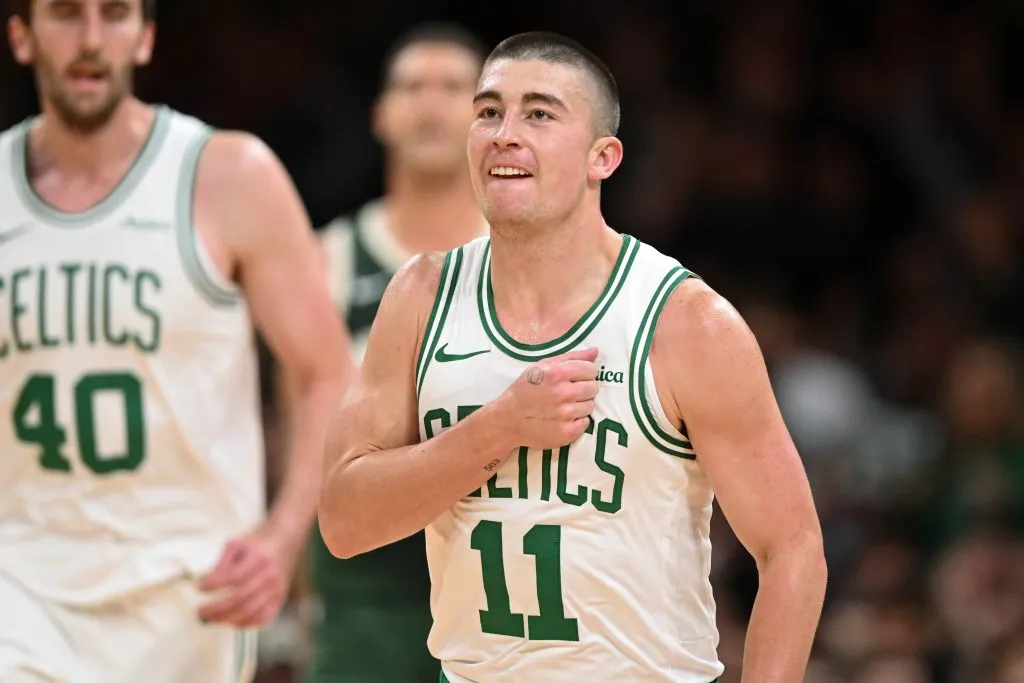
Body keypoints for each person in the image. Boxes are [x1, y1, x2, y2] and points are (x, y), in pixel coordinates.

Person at [319, 30, 827, 683]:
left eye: (538, 113)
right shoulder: (421, 295)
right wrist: (501, 426)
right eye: (488, 111)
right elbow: (343, 520)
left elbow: (793, 548)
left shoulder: (685, 322)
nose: (503, 132)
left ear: (603, 158)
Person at [0, 1, 350, 681]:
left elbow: (327, 373)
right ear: (21, 36)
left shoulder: (229, 174)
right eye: (67, 14)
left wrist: (282, 540)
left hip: (190, 592)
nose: (92, 40)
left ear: (146, 37)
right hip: (23, 589)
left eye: (116, 14)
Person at [302, 22, 489, 683]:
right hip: (366, 579)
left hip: (497, 565)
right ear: (381, 115)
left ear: (488, 116)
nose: (433, 103)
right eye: (413, 86)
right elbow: (300, 425)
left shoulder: (527, 258)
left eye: (454, 89)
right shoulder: (326, 257)